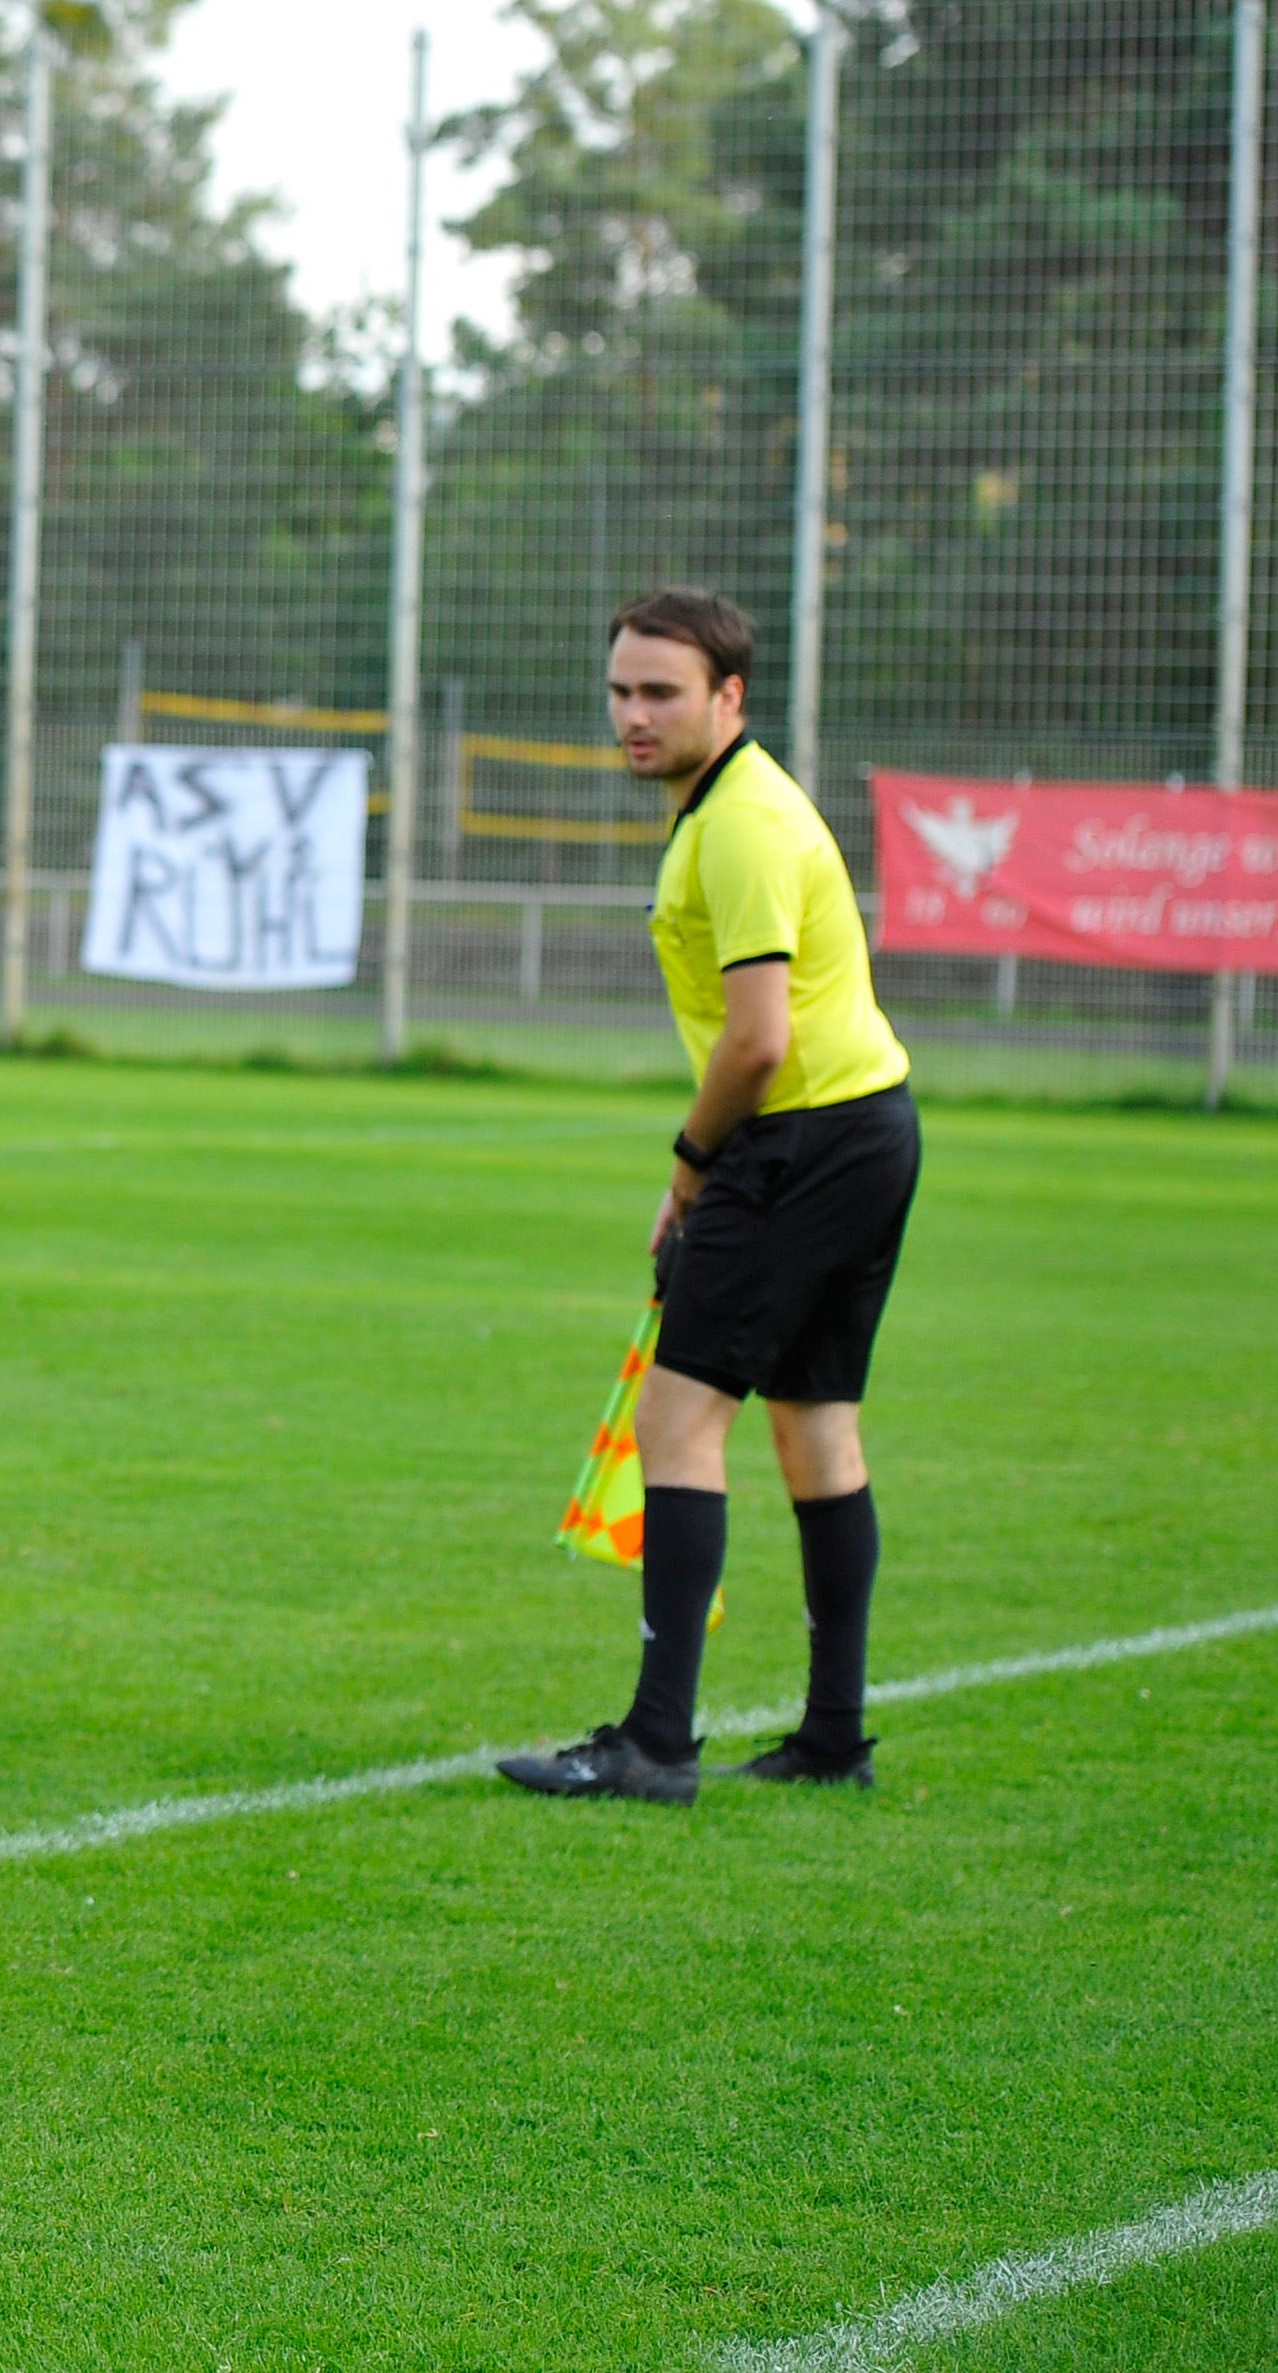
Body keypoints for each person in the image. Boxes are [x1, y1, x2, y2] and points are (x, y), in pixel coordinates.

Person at [500, 589, 917, 1807]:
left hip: (794, 1139)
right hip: (868, 1127)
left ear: (728, 697)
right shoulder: (737, 804)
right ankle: (832, 1735)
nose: (633, 715)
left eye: (661, 692)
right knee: (817, 1425)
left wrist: (688, 1173)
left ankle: (655, 1743)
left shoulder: (738, 822)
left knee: (682, 1422)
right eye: (622, 690)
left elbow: (757, 1042)